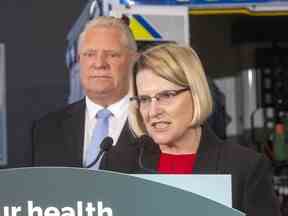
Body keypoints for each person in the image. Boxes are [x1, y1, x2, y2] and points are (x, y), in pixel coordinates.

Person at [128, 43, 281, 215]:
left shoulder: (245, 168)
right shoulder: (120, 164)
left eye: (166, 96)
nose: (153, 111)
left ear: (196, 94)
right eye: (145, 99)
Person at [32, 16, 139, 172]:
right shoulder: (47, 129)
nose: (99, 64)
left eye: (112, 54)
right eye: (90, 54)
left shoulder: (153, 126)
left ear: (134, 60)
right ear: (79, 60)